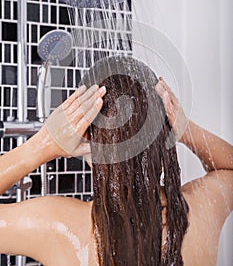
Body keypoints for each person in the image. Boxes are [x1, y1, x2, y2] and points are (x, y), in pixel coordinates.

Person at [0, 56, 232, 266]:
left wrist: (43, 144)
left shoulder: (60, 228)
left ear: (85, 134)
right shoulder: (200, 210)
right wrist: (186, 130)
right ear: (164, 130)